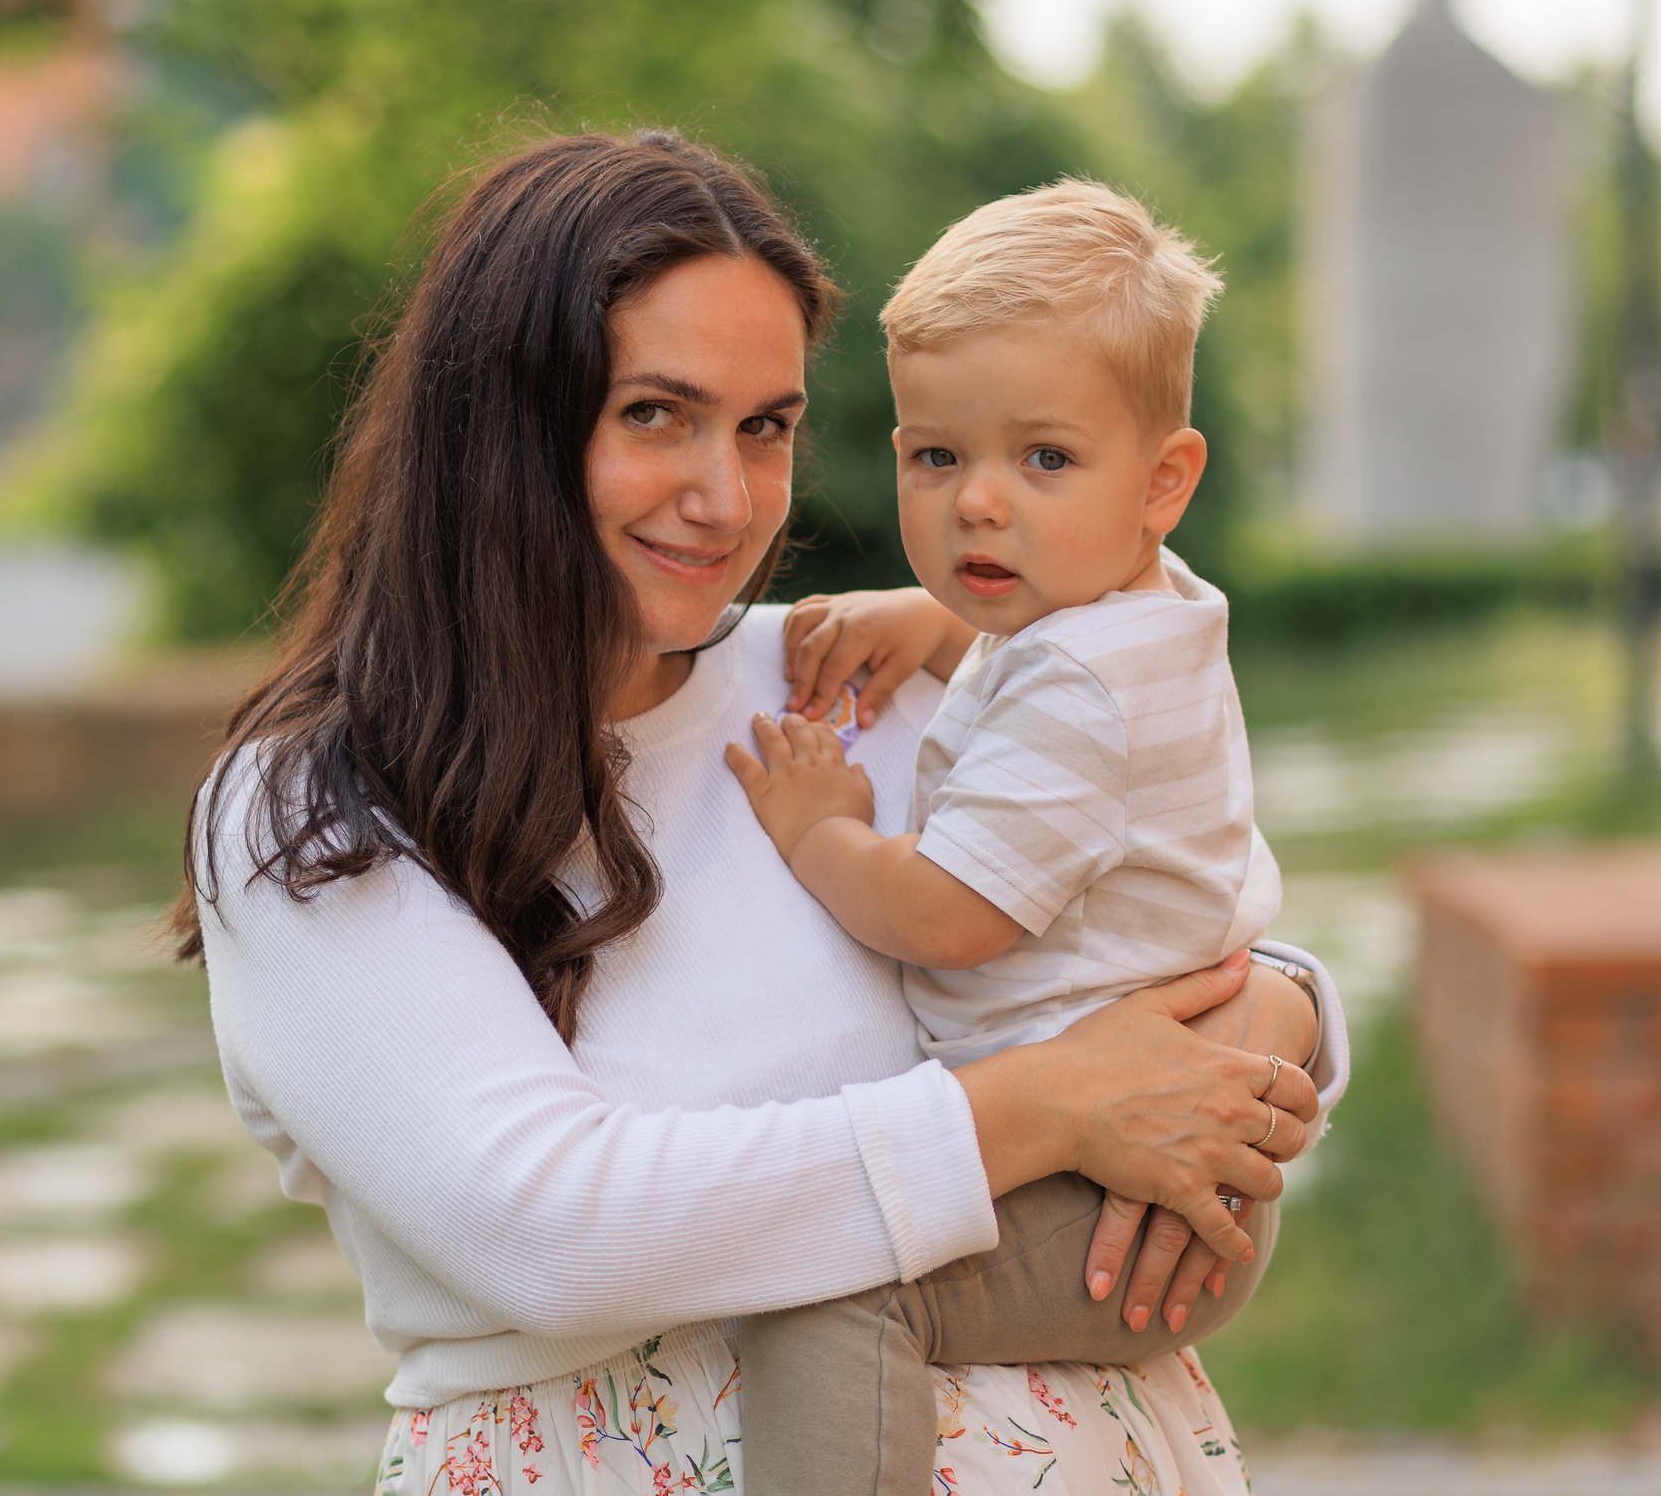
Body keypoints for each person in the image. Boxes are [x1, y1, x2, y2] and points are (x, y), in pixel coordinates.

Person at [179, 131, 1346, 1496]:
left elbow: (1179, 886)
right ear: (501, 424)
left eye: (766, 428)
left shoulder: (850, 682)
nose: (725, 499)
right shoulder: (320, 810)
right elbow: (555, 1232)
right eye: (654, 415)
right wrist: (1045, 1106)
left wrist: (1279, 1020)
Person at [727, 182, 1288, 1496]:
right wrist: (936, 624)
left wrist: (823, 833)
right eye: (936, 457)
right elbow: (1064, 656)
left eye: (1043, 460)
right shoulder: (1136, 615)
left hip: (1117, 1197)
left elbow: (946, 916)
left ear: (1164, 481)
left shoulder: (1078, 689)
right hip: (1126, 1141)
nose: (978, 505)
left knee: (836, 1294)